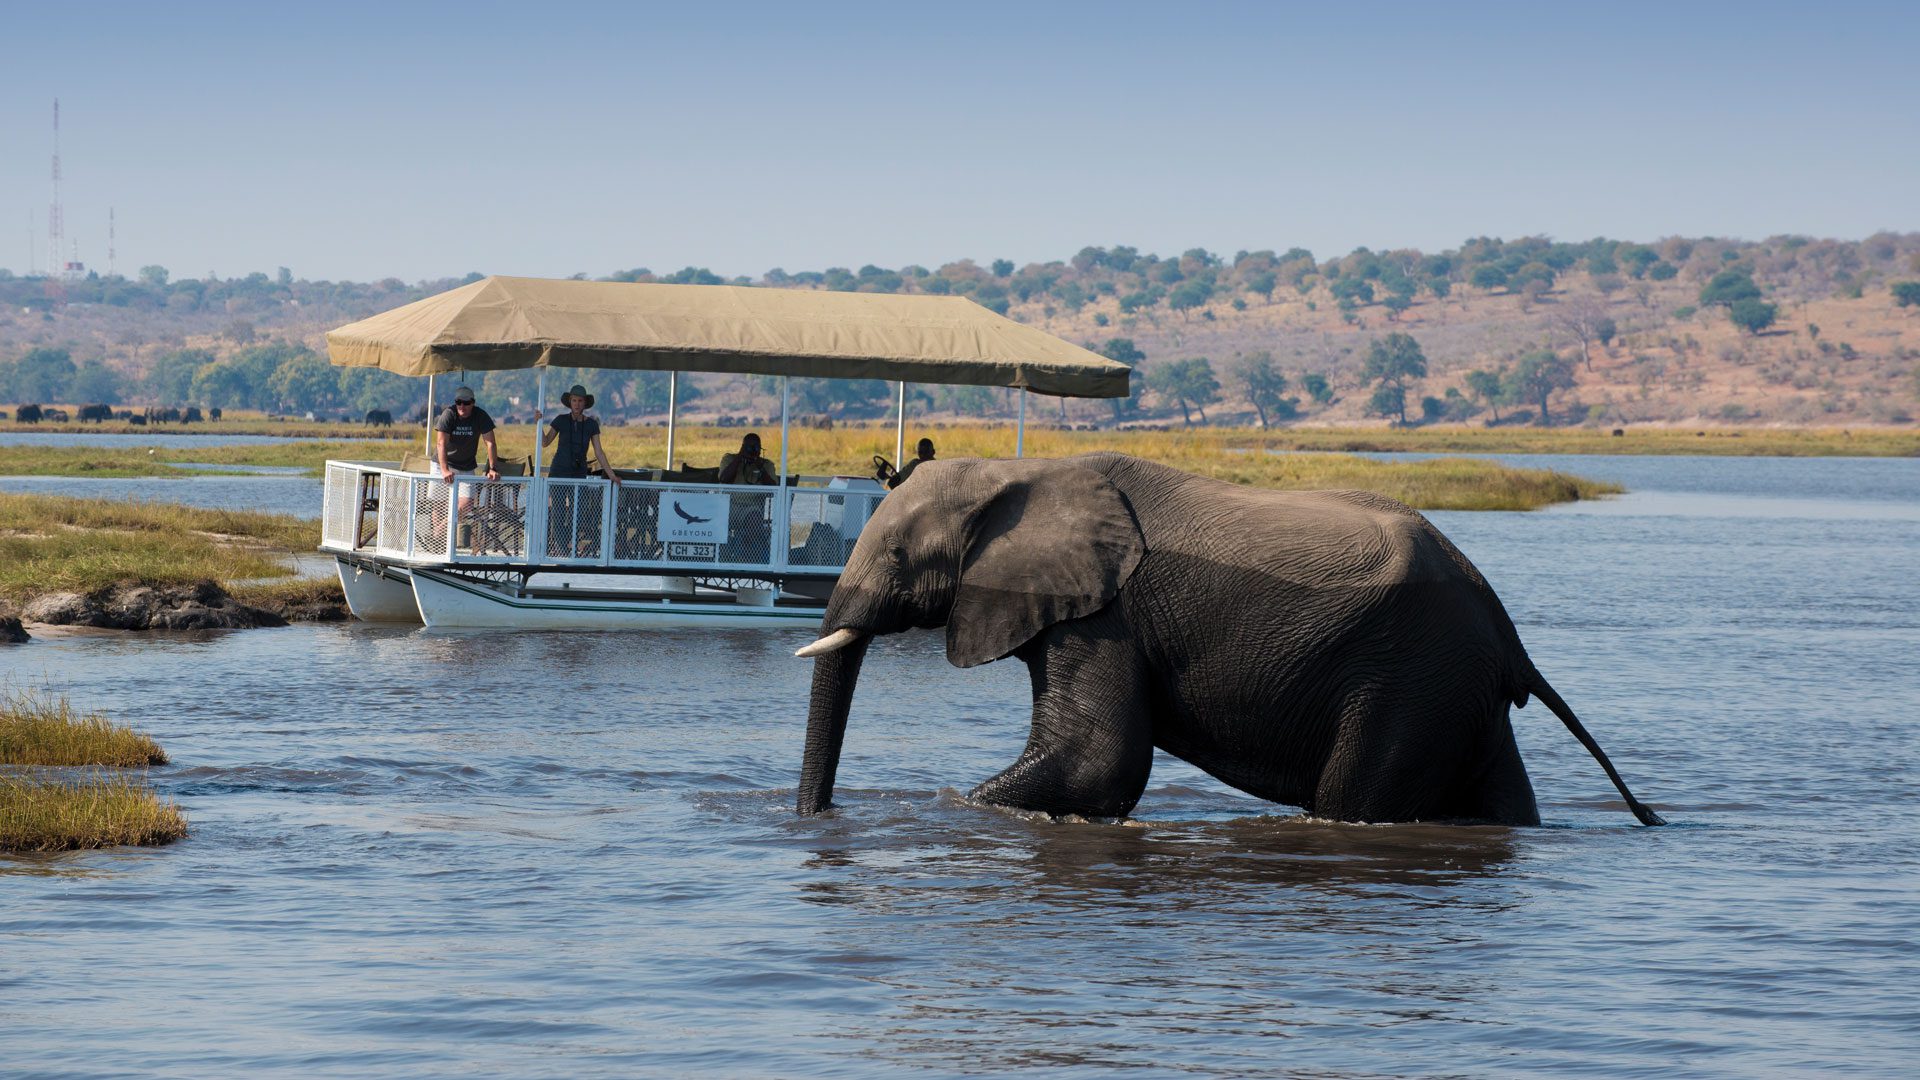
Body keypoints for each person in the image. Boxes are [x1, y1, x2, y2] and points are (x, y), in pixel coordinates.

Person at [535, 384, 621, 484]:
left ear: (584, 403)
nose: (577, 404)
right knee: (558, 500)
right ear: (570, 402)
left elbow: (599, 452)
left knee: (579, 500)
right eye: (574, 400)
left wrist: (612, 476)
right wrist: (538, 423)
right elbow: (545, 442)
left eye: (580, 401)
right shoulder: (561, 420)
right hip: (558, 471)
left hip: (579, 473)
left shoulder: (591, 424)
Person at [434, 386, 500, 484]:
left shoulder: (480, 416)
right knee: (440, 499)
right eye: (458, 402)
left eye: (466, 403)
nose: (462, 406)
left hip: (466, 467)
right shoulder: (449, 414)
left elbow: (491, 443)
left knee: (467, 500)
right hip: (442, 464)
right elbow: (441, 444)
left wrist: (493, 468)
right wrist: (444, 470)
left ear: (473, 402)